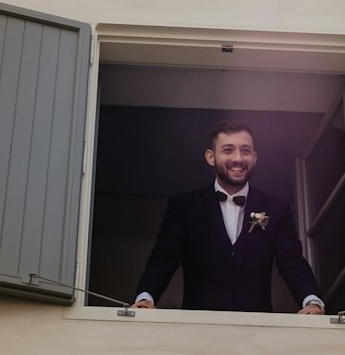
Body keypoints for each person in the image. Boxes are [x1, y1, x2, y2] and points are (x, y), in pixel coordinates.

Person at [133, 120, 325, 314]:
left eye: (245, 150)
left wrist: (311, 301)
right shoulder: (184, 206)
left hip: (258, 328)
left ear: (255, 157)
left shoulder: (277, 208)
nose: (238, 158)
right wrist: (146, 297)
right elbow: (165, 257)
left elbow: (291, 261)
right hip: (199, 328)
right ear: (211, 157)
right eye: (228, 150)